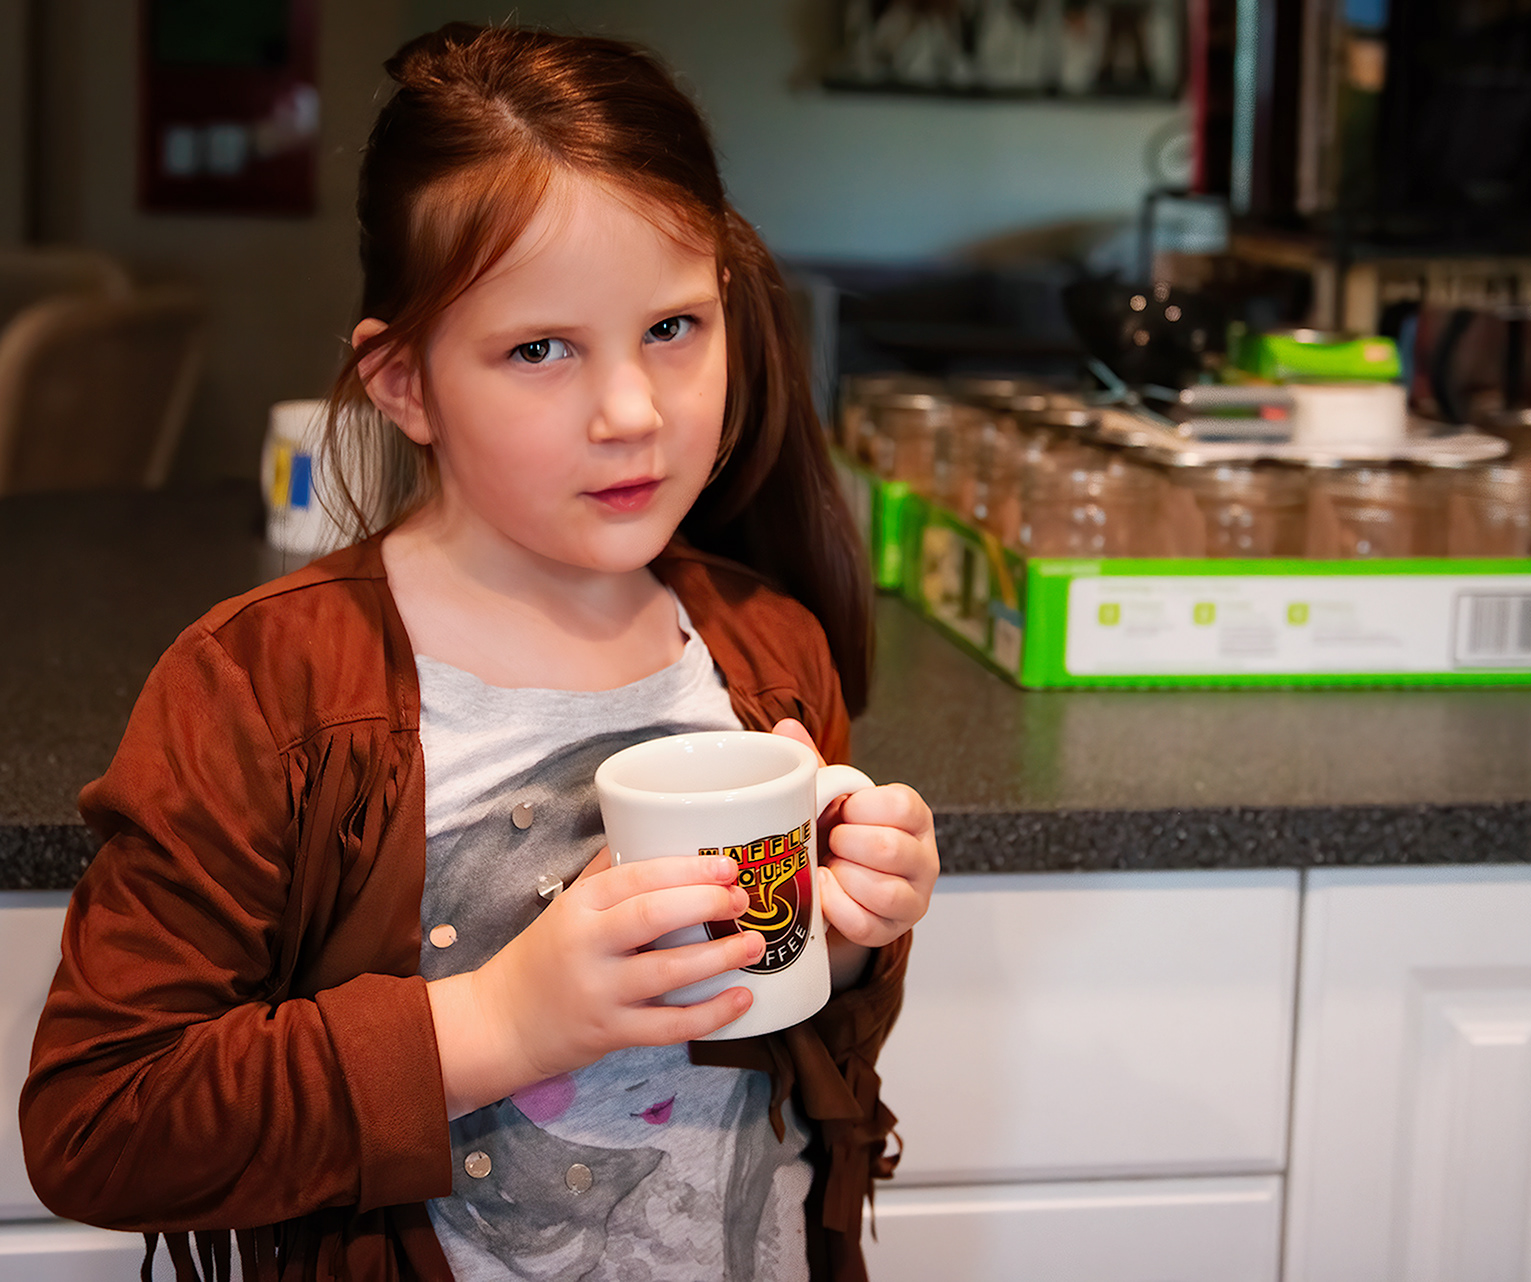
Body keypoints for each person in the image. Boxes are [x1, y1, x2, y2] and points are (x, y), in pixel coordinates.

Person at [20, 23, 938, 1282]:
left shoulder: (765, 645)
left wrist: (845, 936)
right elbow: (101, 1122)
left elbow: (783, 1040)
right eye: (540, 350)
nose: (632, 411)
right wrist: (497, 1023)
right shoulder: (266, 689)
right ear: (403, 384)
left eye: (673, 327)